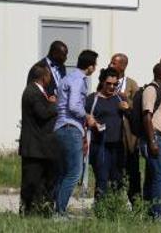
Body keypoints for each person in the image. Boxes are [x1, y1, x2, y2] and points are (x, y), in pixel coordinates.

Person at [53, 49, 99, 215]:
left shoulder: (68, 77)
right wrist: (87, 116)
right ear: (90, 66)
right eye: (95, 65)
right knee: (74, 172)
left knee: (63, 172)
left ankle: (56, 209)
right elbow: (73, 106)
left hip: (60, 127)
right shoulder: (79, 80)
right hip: (70, 128)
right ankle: (60, 212)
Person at [19, 64, 59, 215]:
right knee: (31, 182)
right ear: (44, 77)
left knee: (43, 182)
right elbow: (42, 114)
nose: (51, 79)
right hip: (34, 147)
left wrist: (49, 102)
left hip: (41, 146)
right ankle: (28, 212)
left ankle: (41, 210)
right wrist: (54, 104)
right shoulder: (33, 92)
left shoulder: (38, 92)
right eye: (49, 76)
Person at [85, 67, 126, 200]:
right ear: (102, 82)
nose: (111, 87)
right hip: (100, 145)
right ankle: (100, 210)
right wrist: (88, 119)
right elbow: (80, 114)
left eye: (115, 84)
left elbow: (131, 116)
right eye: (108, 83)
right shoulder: (92, 99)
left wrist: (127, 108)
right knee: (102, 179)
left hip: (118, 145)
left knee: (117, 179)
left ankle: (115, 210)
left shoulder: (120, 98)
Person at [107, 53, 143, 204]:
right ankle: (111, 201)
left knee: (132, 169)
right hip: (112, 131)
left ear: (123, 66)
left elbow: (138, 107)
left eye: (114, 63)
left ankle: (135, 202)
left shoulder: (132, 84)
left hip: (128, 135)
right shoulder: (107, 82)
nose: (110, 65)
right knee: (112, 168)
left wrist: (125, 99)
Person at [140, 63, 161, 219]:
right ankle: (156, 214)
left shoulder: (159, 90)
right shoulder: (151, 90)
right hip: (155, 139)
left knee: (154, 177)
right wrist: (152, 141)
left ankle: (148, 211)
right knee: (160, 178)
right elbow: (147, 116)